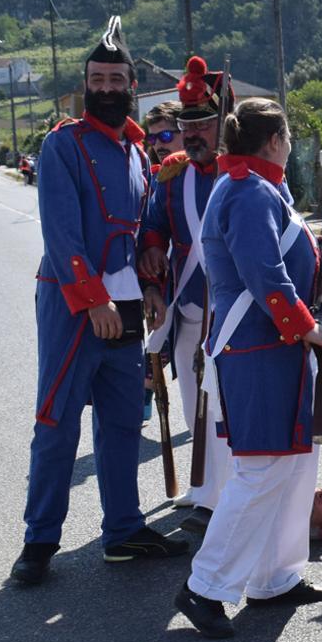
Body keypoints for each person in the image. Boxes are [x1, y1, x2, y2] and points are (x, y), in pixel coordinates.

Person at [11, 17, 189, 586]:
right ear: (86, 83)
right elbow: (60, 233)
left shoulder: (139, 154)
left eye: (116, 79)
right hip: (73, 306)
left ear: (131, 84)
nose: (107, 88)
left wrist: (154, 283)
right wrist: (92, 301)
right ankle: (39, 541)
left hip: (129, 307)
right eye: (98, 79)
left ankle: (123, 531)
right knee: (56, 423)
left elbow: (143, 232)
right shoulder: (61, 144)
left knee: (119, 425)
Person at [173, 99, 322, 640]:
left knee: (292, 467)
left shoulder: (258, 187)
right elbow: (263, 272)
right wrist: (306, 325)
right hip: (259, 349)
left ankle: (274, 576)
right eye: (288, 138)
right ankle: (205, 586)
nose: (290, 147)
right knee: (261, 471)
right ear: (274, 141)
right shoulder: (246, 192)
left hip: (275, 348)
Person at [140, 59, 234, 534]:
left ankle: (229, 493)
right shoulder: (172, 176)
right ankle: (205, 492)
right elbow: (152, 228)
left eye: (202, 124)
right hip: (188, 304)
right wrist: (153, 266)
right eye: (187, 126)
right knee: (192, 396)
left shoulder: (240, 171)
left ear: (222, 125)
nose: (193, 134)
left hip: (233, 311)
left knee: (226, 404)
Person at [138, 101, 185, 425]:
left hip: (202, 285)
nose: (157, 144)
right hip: (168, 282)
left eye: (165, 134)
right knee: (159, 349)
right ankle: (144, 395)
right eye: (151, 138)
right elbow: (148, 231)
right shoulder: (155, 177)